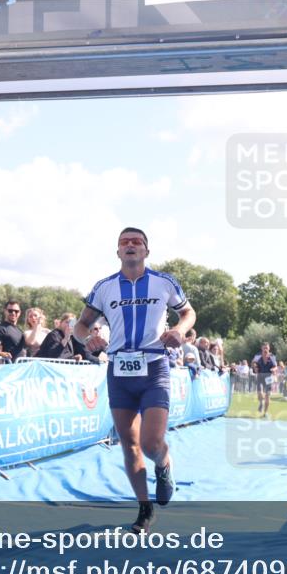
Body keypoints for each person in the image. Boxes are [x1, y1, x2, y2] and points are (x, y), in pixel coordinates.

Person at [73, 227, 195, 534]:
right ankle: (144, 508)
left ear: (146, 251)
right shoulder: (104, 287)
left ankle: (164, 465)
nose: (130, 245)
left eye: (136, 241)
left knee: (151, 442)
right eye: (124, 242)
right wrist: (89, 338)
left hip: (154, 368)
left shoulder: (163, 282)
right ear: (117, 252)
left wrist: (179, 332)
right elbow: (80, 326)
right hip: (119, 371)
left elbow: (188, 313)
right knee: (129, 444)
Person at [252, 342, 277, 418]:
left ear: (269, 348)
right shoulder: (258, 356)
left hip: (269, 377)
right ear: (261, 348)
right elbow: (253, 363)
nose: (265, 349)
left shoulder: (272, 357)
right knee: (260, 392)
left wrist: (273, 369)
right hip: (260, 376)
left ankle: (265, 413)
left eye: (267, 348)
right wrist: (255, 367)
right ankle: (261, 403)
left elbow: (276, 366)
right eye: (264, 348)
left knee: (267, 396)